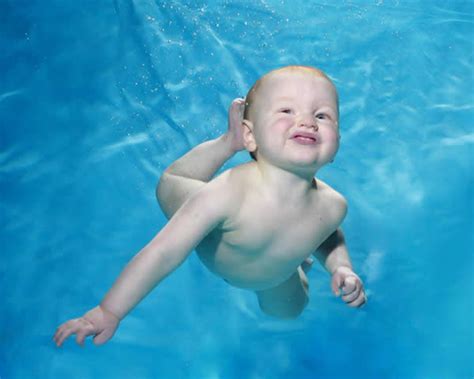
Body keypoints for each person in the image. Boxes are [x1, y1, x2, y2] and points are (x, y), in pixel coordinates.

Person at [53, 65, 367, 348]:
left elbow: (327, 232)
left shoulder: (333, 205)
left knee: (287, 312)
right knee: (170, 185)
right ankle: (227, 142)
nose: (307, 121)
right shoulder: (226, 194)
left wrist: (341, 267)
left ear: (337, 141)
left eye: (322, 115)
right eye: (286, 110)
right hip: (208, 234)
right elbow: (163, 252)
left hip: (273, 276)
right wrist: (109, 310)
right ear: (251, 135)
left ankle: (294, 261)